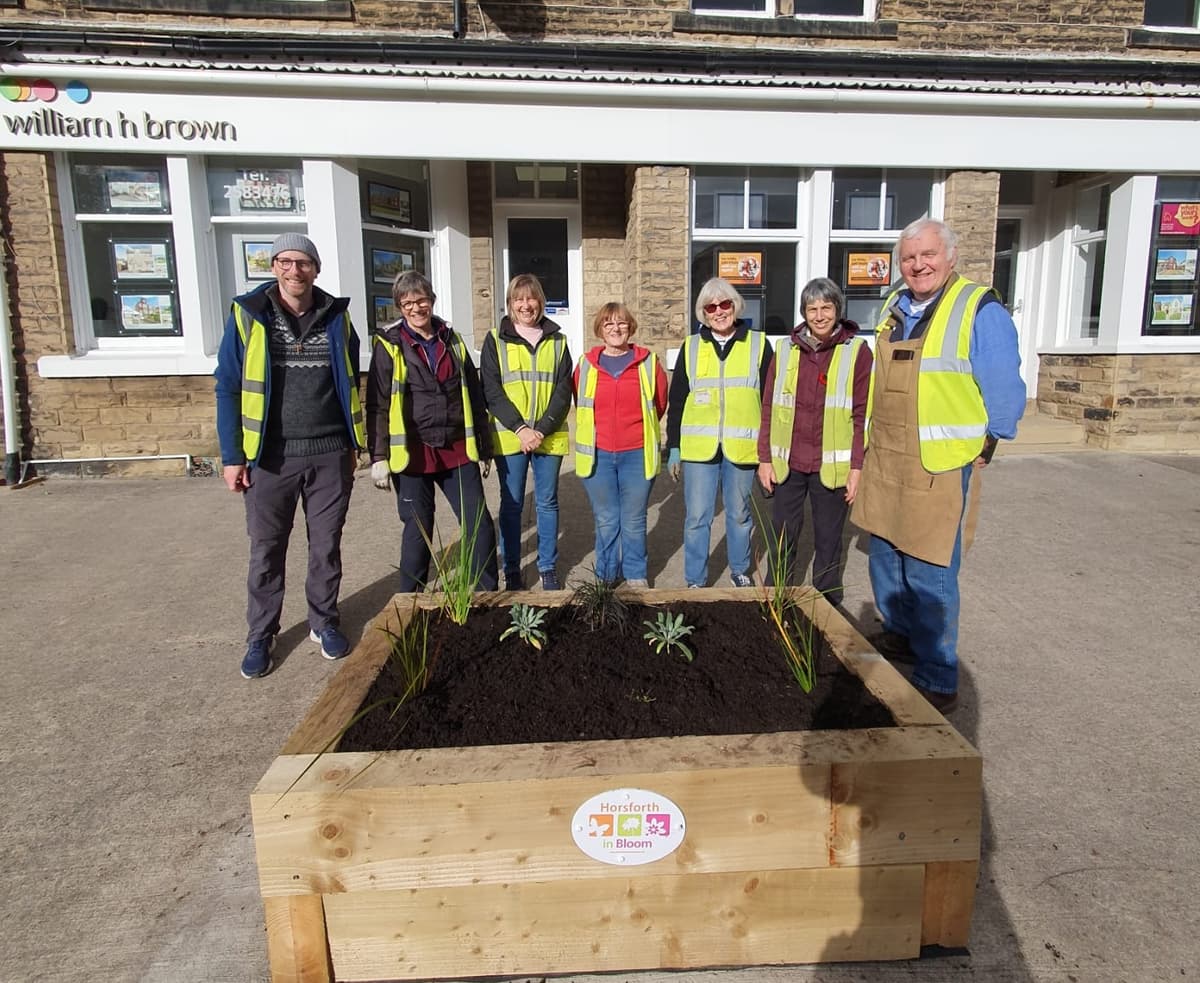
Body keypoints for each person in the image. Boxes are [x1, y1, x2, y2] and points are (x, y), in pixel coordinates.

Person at [852, 218, 1026, 713]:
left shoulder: (978, 308)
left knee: (930, 568)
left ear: (950, 256)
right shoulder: (895, 306)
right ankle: (901, 635)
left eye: (927, 255)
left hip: (940, 462)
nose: (918, 265)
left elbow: (1004, 384)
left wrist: (991, 440)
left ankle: (937, 675)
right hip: (888, 455)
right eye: (909, 258)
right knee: (885, 553)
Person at [214, 233, 365, 680]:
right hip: (269, 458)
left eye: (303, 263)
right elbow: (228, 387)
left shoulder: (338, 316)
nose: (294, 270)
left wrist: (354, 445)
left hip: (329, 453)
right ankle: (261, 634)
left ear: (315, 270)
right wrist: (232, 456)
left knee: (326, 547)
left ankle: (324, 621)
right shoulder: (249, 316)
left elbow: (348, 378)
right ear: (274, 266)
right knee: (266, 549)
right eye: (285, 261)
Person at [365, 270, 499, 594]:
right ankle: (410, 602)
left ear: (432, 300)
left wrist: (483, 446)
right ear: (399, 306)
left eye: (421, 300)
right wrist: (378, 456)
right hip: (412, 454)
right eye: (407, 302)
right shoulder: (389, 344)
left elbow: (474, 394)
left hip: (456, 449)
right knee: (418, 529)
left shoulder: (451, 339)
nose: (416, 308)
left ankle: (485, 593)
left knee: (478, 523)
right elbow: (378, 404)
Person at [756, 277, 872, 607]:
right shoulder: (786, 349)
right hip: (788, 462)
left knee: (828, 539)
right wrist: (765, 458)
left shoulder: (857, 352)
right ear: (803, 313)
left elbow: (863, 414)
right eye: (812, 309)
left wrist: (857, 467)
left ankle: (827, 604)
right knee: (782, 536)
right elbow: (768, 406)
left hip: (830, 466)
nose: (819, 315)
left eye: (826, 307)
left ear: (838, 309)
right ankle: (775, 599)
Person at [666, 277, 772, 589]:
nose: (718, 311)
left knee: (739, 515)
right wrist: (673, 446)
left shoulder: (757, 344)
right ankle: (695, 579)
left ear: (735, 305)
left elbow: (769, 399)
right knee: (697, 517)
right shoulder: (692, 347)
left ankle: (740, 570)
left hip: (742, 447)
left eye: (724, 304)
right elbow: (678, 401)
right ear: (703, 312)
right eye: (711, 307)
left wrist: (768, 450)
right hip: (699, 449)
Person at [479, 274, 573, 592]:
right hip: (510, 436)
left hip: (548, 435)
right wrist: (521, 429)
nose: (525, 305)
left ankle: (547, 567)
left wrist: (541, 430)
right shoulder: (495, 339)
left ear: (540, 302)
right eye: (518, 299)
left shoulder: (558, 341)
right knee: (512, 503)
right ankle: (512, 570)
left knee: (547, 502)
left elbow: (563, 390)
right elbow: (491, 390)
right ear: (509, 304)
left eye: (531, 298)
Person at [574, 302, 668, 588]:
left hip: (636, 454)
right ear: (600, 330)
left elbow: (659, 404)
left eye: (621, 323)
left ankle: (636, 574)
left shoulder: (649, 363)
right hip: (597, 455)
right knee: (606, 519)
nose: (615, 329)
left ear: (630, 327)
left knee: (634, 518)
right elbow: (580, 402)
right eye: (608, 324)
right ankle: (605, 575)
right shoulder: (586, 365)